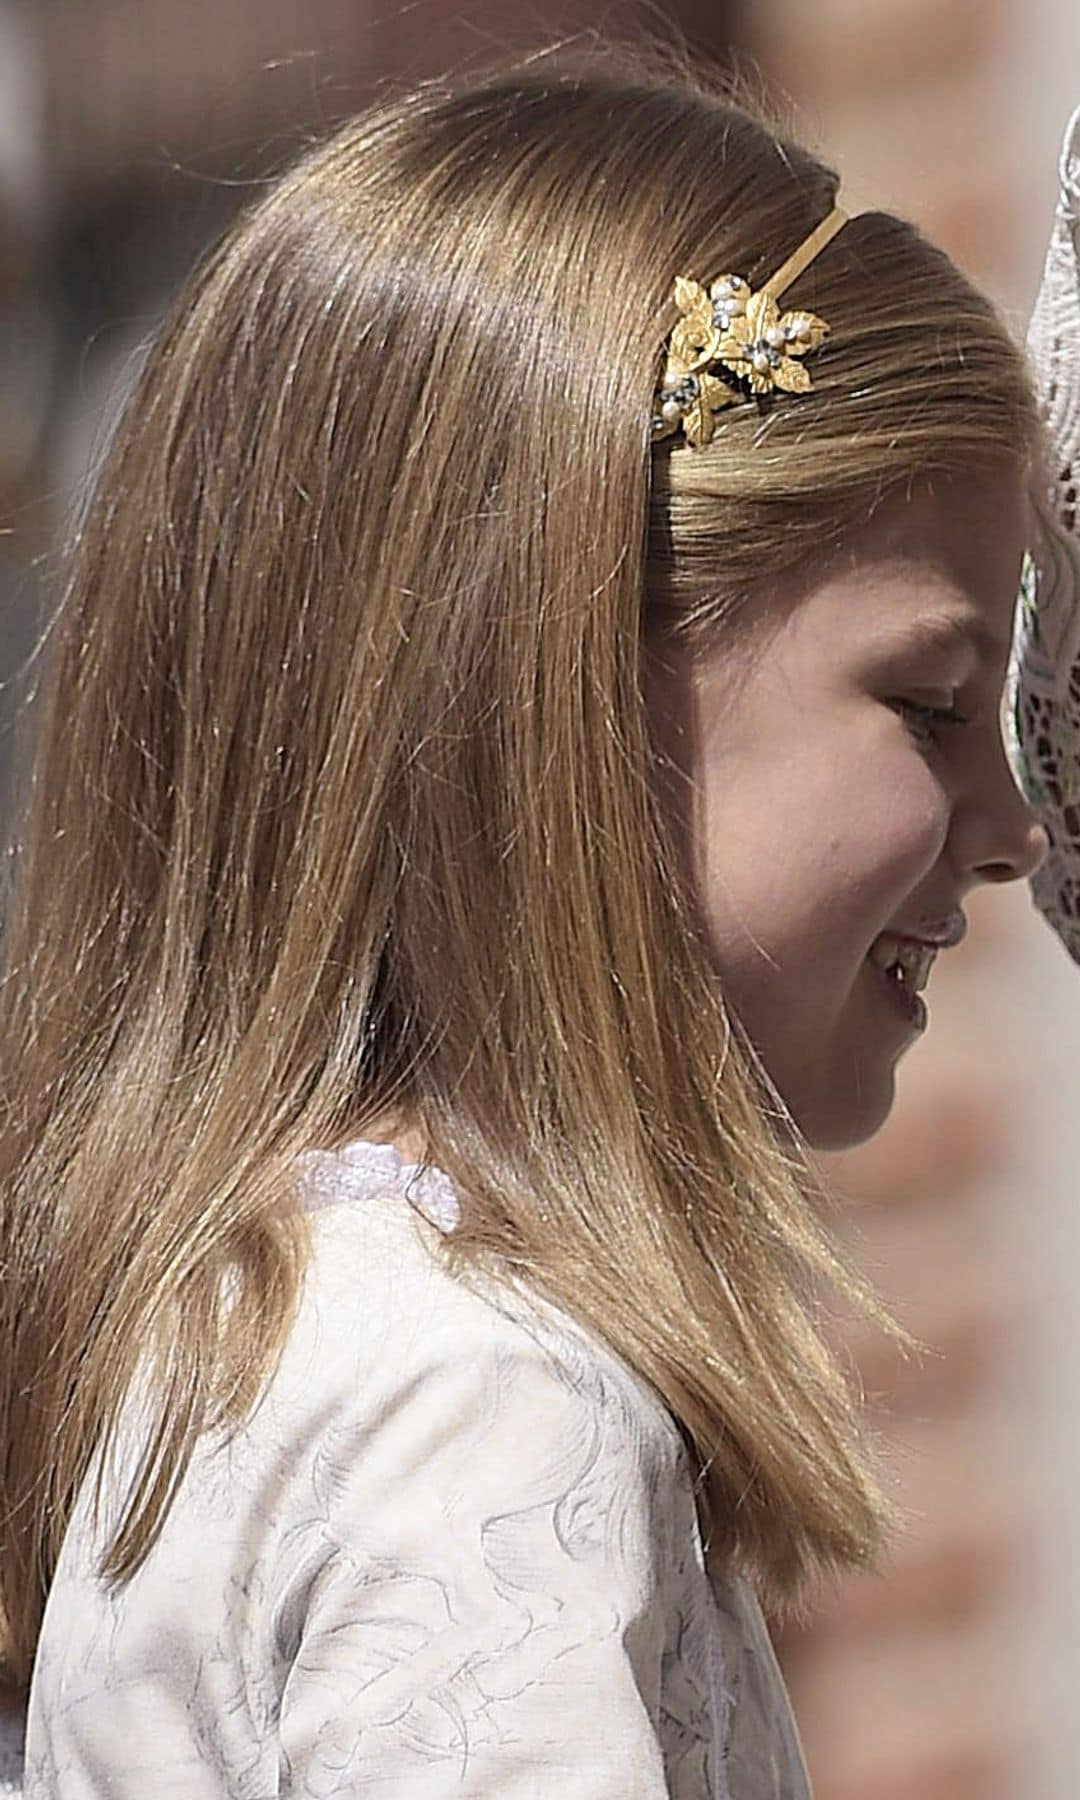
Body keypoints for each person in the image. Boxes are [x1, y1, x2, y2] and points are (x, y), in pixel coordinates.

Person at [0, 41, 1051, 1798]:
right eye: (933, 704)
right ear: (557, 694)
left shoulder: (266, 1319)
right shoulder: (487, 1400)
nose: (1011, 828)